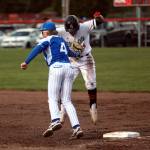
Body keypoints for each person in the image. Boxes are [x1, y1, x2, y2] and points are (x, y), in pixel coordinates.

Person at [20, 22, 83, 139]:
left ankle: (55, 120)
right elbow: (71, 53)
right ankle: (77, 128)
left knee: (52, 99)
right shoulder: (61, 40)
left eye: (42, 31)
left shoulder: (47, 39)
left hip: (57, 68)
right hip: (69, 68)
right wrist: (78, 54)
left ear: (47, 31)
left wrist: (26, 62)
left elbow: (36, 49)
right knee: (67, 101)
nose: (42, 33)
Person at [57, 11, 105, 125]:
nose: (72, 32)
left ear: (78, 26)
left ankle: (93, 106)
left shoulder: (84, 26)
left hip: (85, 59)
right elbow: (49, 32)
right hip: (70, 61)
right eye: (70, 30)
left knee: (91, 84)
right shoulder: (61, 31)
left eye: (74, 30)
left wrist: (98, 17)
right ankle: (62, 111)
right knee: (64, 85)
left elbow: (100, 21)